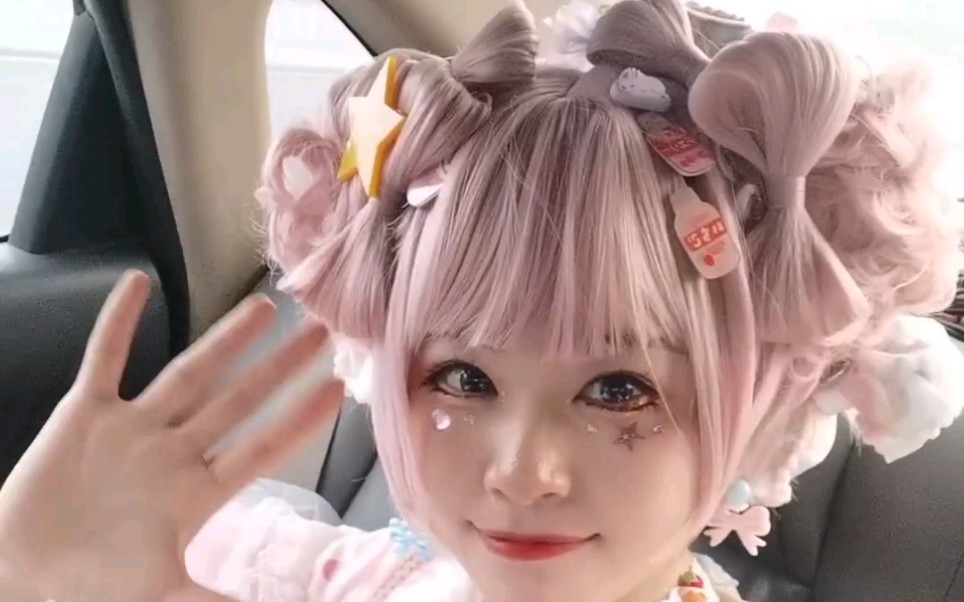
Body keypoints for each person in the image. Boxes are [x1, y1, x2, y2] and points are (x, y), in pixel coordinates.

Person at [1, 1, 962, 601]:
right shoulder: (375, 575)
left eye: (618, 390)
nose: (519, 472)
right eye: (462, 377)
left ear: (768, 408)